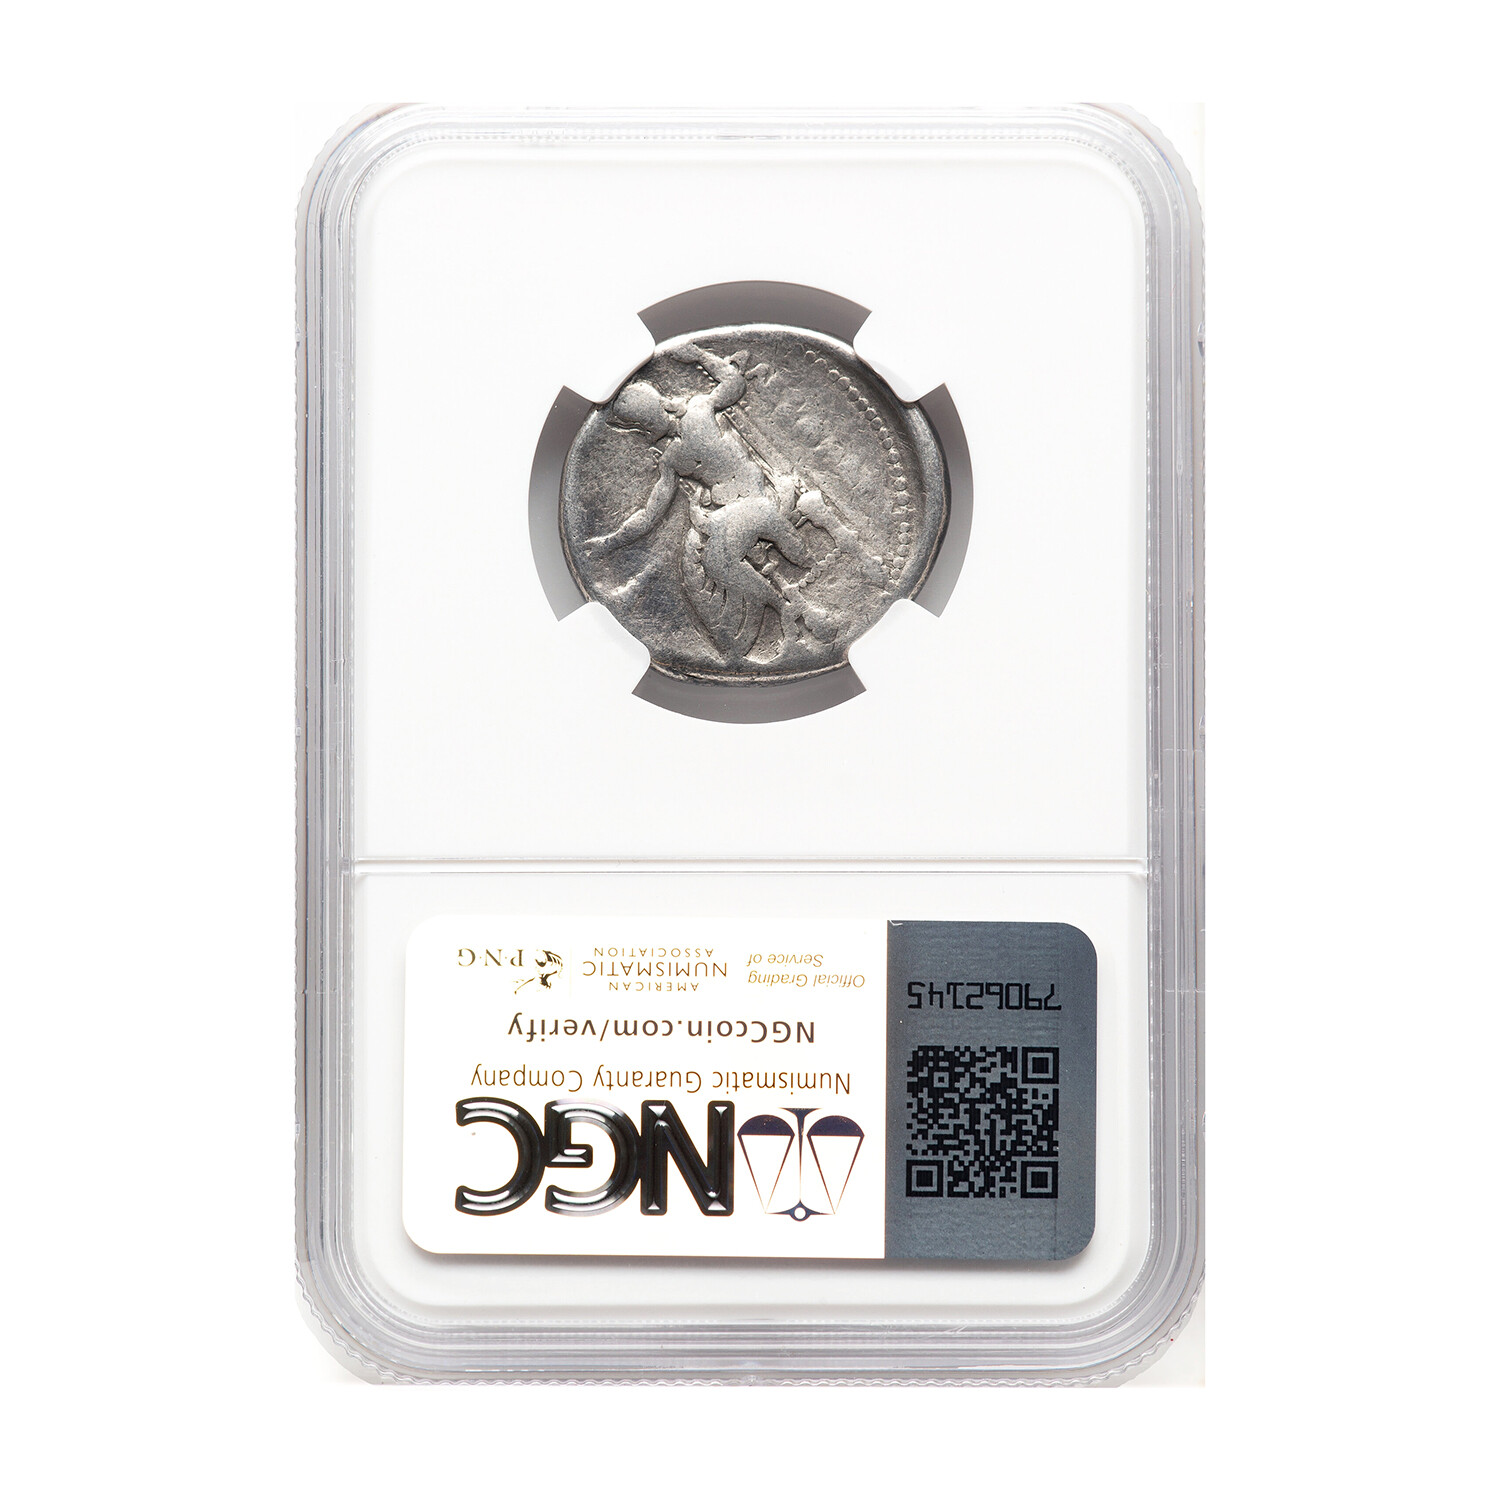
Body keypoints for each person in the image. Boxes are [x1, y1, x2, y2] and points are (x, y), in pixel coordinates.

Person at [588, 343, 833, 652]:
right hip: (733, 516)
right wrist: (609, 542)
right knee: (716, 562)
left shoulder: (694, 419)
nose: (647, 429)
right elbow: (650, 516)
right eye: (642, 425)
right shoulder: (676, 451)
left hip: (759, 504)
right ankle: (783, 607)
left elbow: (735, 383)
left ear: (651, 418)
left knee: (724, 558)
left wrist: (700, 356)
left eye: (644, 423)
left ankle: (791, 600)